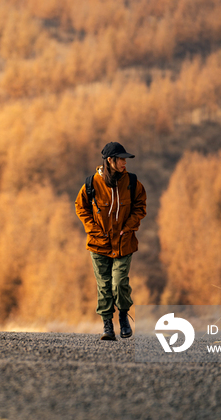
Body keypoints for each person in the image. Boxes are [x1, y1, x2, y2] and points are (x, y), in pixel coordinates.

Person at [75, 142, 147, 341]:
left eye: (125, 159)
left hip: (124, 243)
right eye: (121, 159)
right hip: (98, 244)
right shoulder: (91, 184)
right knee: (104, 285)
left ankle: (123, 316)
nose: (125, 163)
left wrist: (128, 226)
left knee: (119, 282)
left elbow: (141, 206)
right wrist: (94, 230)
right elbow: (81, 208)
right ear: (110, 161)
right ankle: (107, 325)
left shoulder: (132, 182)